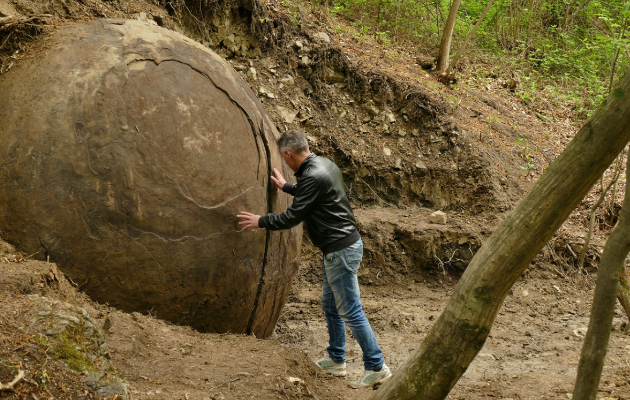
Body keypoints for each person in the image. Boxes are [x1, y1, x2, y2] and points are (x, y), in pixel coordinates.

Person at [237, 129, 392, 388]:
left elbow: (292, 217)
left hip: (340, 250)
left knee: (351, 310)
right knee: (331, 306)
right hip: (342, 247)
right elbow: (316, 194)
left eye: (283, 158)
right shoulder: (324, 165)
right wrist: (286, 187)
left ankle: (376, 366)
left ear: (288, 154)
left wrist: (260, 221)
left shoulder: (312, 177)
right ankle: (336, 359)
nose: (285, 163)